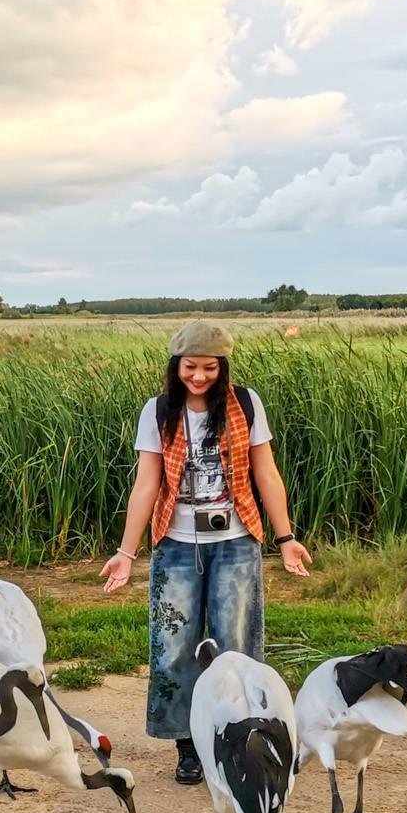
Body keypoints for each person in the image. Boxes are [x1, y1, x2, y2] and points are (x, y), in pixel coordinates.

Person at [100, 319, 311, 785]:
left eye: (209, 368)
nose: (198, 377)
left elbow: (267, 475)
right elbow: (147, 483)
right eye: (190, 367)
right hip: (175, 545)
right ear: (175, 366)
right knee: (174, 646)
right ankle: (188, 746)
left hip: (236, 542)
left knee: (238, 645)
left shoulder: (245, 404)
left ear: (224, 367)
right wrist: (126, 552)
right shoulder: (157, 412)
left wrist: (286, 537)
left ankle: (241, 738)